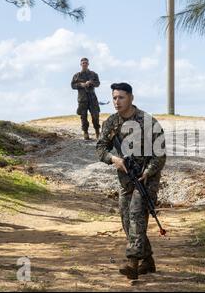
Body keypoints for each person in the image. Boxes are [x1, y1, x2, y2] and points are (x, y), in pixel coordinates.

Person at [96, 82, 166, 280]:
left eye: (121, 97)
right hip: (125, 179)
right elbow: (101, 148)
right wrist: (114, 159)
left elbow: (160, 154)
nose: (117, 102)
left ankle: (132, 263)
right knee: (127, 221)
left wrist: (148, 172)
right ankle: (148, 260)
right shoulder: (111, 123)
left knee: (136, 214)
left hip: (146, 178)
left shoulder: (147, 121)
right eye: (114, 98)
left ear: (131, 98)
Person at [71, 58, 101, 140]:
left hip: (92, 98)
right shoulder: (77, 75)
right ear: (80, 64)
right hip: (82, 99)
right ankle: (85, 133)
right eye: (83, 63)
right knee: (83, 117)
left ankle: (97, 132)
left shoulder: (93, 74)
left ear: (88, 64)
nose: (84, 64)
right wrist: (81, 84)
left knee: (95, 115)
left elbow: (98, 83)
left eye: (86, 63)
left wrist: (91, 83)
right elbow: (72, 86)